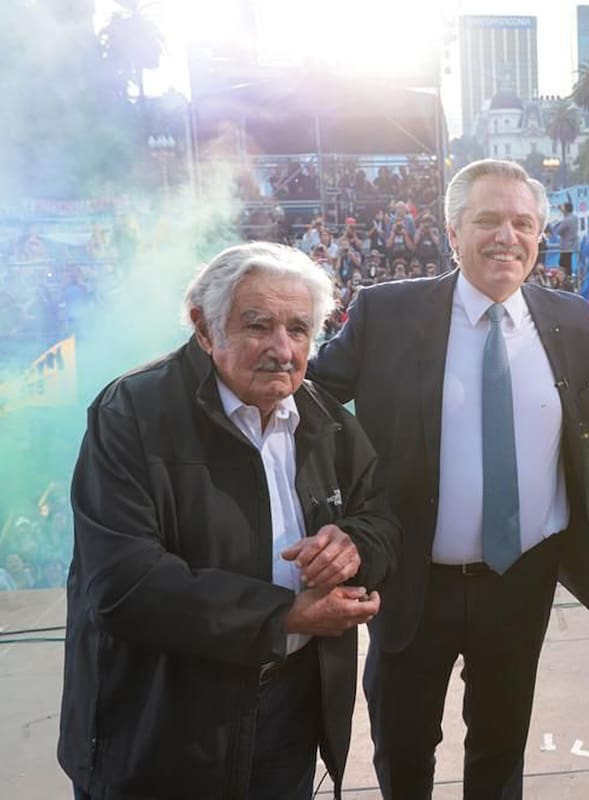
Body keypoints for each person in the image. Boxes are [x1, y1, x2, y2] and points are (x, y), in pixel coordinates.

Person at [307, 158, 589, 799]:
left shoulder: (570, 319)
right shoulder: (388, 313)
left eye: (522, 222)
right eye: (488, 220)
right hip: (411, 584)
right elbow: (307, 400)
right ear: (452, 230)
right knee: (404, 756)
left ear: (540, 235)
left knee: (500, 754)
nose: (506, 236)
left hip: (521, 581)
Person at [59, 242, 397, 799]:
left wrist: (355, 545)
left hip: (289, 716)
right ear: (204, 327)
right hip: (161, 725)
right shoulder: (132, 414)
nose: (282, 349)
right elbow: (123, 584)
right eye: (257, 325)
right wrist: (283, 616)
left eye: (299, 329)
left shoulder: (326, 421)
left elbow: (379, 516)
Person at [553, 200, 579, 278]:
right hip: (571, 245)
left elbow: (558, 231)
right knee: (568, 264)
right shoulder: (574, 218)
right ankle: (569, 278)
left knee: (564, 265)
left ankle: (565, 279)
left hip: (565, 246)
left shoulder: (566, 220)